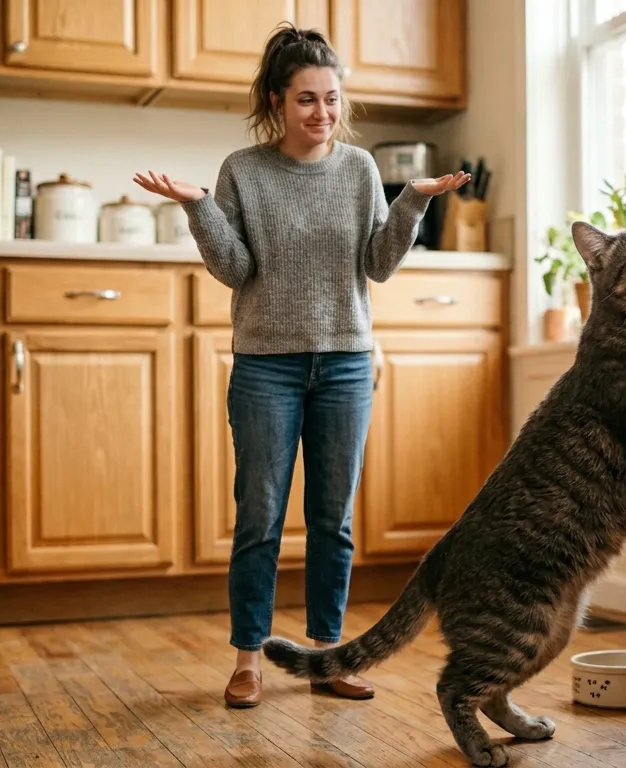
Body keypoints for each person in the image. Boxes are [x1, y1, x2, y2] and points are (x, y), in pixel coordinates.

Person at [133, 24, 469, 709]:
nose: (322, 113)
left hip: (344, 362)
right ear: (278, 103)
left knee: (332, 518)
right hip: (266, 367)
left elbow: (377, 264)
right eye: (307, 99)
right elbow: (236, 269)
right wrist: (199, 206)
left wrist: (413, 202)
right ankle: (247, 659)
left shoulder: (358, 170)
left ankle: (326, 653)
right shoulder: (244, 171)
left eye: (332, 98)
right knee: (259, 516)